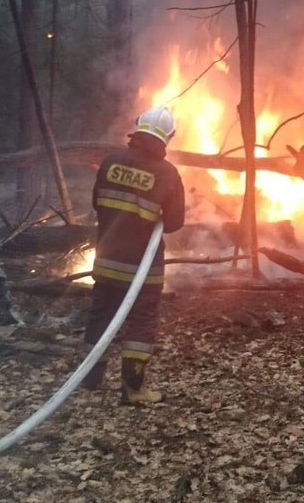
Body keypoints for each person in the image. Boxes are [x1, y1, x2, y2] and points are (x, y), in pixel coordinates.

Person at [81, 106, 186, 404]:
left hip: (106, 259)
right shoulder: (167, 173)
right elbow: (175, 222)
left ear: (138, 128)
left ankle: (90, 379)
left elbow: (97, 202)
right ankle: (133, 387)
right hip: (143, 268)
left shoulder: (111, 161)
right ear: (169, 137)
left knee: (100, 316)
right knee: (141, 322)